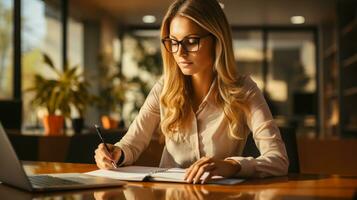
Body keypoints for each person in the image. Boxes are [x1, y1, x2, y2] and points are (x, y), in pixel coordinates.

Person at [94, 0, 288, 184]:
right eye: (173, 42)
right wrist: (116, 153)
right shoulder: (164, 89)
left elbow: (278, 159)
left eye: (191, 41)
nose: (180, 52)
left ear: (217, 40)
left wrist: (232, 165)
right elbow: (131, 144)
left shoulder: (243, 90)